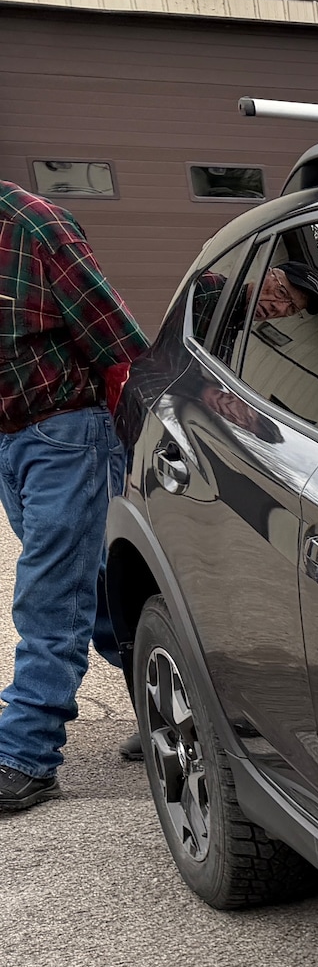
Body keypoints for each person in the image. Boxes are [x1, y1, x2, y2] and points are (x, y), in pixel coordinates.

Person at [0, 178, 147, 813]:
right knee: (92, 593)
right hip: (10, 437)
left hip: (67, 432)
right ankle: (177, 699)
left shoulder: (34, 225)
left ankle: (25, 754)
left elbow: (117, 339)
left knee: (49, 593)